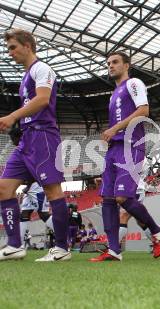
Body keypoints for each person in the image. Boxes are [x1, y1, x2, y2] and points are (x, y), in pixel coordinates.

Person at [0, 29, 70, 262]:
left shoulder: (42, 69)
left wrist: (12, 117)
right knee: (4, 188)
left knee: (52, 191)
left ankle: (61, 249)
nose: (10, 53)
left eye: (13, 47)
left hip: (44, 138)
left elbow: (42, 99)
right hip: (27, 140)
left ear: (27, 45)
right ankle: (14, 245)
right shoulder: (26, 75)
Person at [90, 52, 160, 262]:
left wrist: (114, 128)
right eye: (108, 63)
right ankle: (114, 250)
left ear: (126, 65)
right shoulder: (113, 94)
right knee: (107, 198)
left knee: (123, 198)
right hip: (114, 149)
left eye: (115, 62)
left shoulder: (134, 83)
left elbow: (144, 110)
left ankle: (156, 230)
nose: (110, 66)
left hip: (131, 145)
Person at [19, 181, 54, 248]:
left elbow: (34, 171)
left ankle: (63, 239)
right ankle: (19, 246)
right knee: (24, 214)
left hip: (38, 187)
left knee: (44, 215)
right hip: (30, 188)